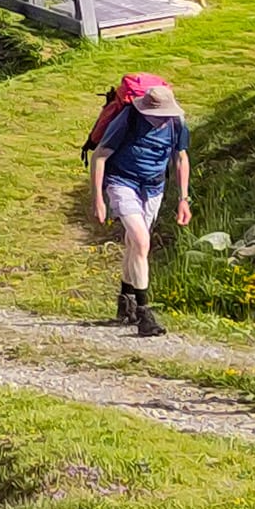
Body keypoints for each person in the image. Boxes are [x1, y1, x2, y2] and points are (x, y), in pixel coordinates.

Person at [87, 77, 189, 338]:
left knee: (134, 244)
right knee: (142, 242)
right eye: (158, 115)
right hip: (122, 182)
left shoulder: (176, 123)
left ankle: (126, 299)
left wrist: (183, 199)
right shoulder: (129, 119)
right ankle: (145, 315)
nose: (162, 119)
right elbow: (100, 156)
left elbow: (181, 158)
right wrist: (98, 198)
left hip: (154, 187)